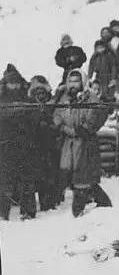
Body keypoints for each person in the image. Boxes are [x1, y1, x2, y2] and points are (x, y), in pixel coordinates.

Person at [53, 69, 111, 217]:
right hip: (69, 143)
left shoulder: (90, 98)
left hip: (86, 143)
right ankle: (103, 204)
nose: (73, 85)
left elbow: (91, 120)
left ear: (83, 82)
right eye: (70, 81)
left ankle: (78, 212)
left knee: (83, 177)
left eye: (76, 81)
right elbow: (57, 116)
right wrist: (65, 128)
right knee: (76, 176)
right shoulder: (64, 98)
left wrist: (79, 130)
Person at [0, 64, 37, 220]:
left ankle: (28, 211)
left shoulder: (26, 96)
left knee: (26, 179)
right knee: (5, 180)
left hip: (25, 144)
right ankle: (3, 213)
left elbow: (34, 115)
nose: (13, 86)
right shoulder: (2, 97)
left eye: (15, 82)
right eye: (10, 83)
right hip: (5, 144)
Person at [27, 75, 61, 211]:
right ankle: (45, 203)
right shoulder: (30, 106)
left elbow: (56, 119)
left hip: (51, 143)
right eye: (37, 92)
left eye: (42, 92)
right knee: (41, 175)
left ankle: (51, 202)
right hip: (37, 145)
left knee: (51, 173)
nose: (40, 95)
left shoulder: (52, 105)